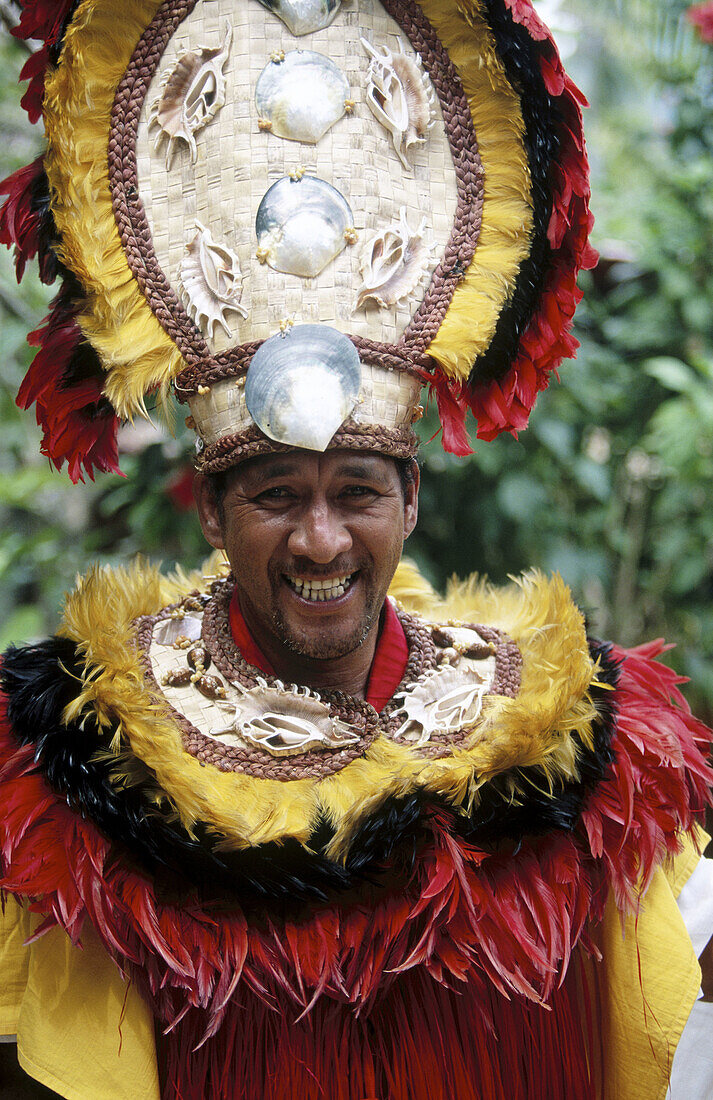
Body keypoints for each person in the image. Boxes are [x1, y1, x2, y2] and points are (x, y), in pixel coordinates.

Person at [0, 0, 711, 1097]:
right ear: (211, 511)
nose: (320, 536)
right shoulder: (84, 777)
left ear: (410, 498)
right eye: (277, 493)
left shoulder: (577, 747)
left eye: (357, 492)